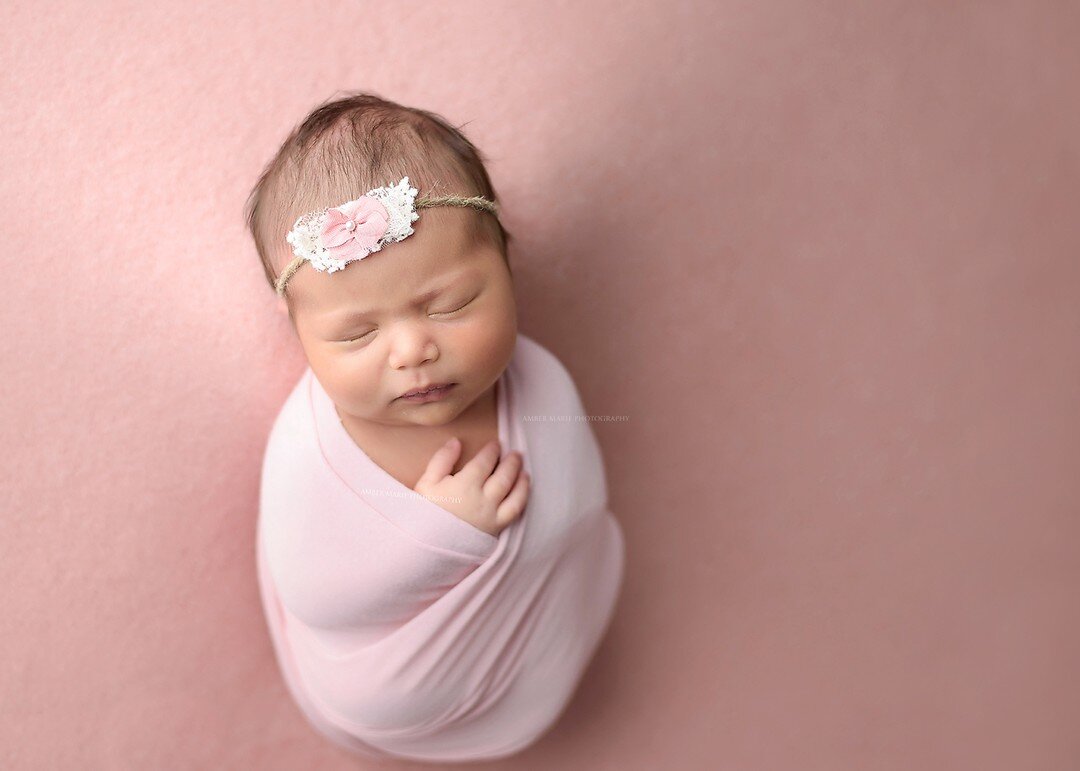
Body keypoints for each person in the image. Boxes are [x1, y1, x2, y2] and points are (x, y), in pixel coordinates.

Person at [244, 91, 625, 762]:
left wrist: (541, 534)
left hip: (541, 638)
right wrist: (444, 533)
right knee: (377, 695)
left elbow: (583, 507)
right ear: (298, 329)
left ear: (508, 266)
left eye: (450, 304)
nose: (411, 351)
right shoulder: (306, 448)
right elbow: (315, 593)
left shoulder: (541, 385)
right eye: (356, 333)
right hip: (397, 685)